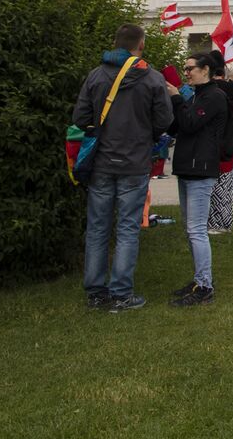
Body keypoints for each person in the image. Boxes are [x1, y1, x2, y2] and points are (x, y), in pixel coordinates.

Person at [71, 23, 174, 312]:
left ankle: (96, 292)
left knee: (97, 228)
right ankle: (120, 293)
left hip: (102, 161)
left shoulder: (96, 75)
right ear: (140, 45)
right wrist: (144, 134)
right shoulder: (152, 79)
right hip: (135, 162)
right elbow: (164, 121)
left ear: (115, 43)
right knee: (128, 228)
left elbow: (80, 118)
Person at [166, 50, 232, 307]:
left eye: (190, 68)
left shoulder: (214, 96)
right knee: (190, 229)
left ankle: (204, 285)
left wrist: (175, 99)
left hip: (201, 169)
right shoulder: (194, 96)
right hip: (188, 166)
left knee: (197, 230)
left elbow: (191, 122)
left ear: (205, 69)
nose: (186, 73)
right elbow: (178, 125)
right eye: (184, 68)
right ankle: (199, 279)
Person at [207, 52, 233, 234]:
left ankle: (215, 222)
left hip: (215, 140)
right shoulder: (232, 88)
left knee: (213, 184)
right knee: (225, 182)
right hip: (232, 138)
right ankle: (224, 221)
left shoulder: (210, 89)